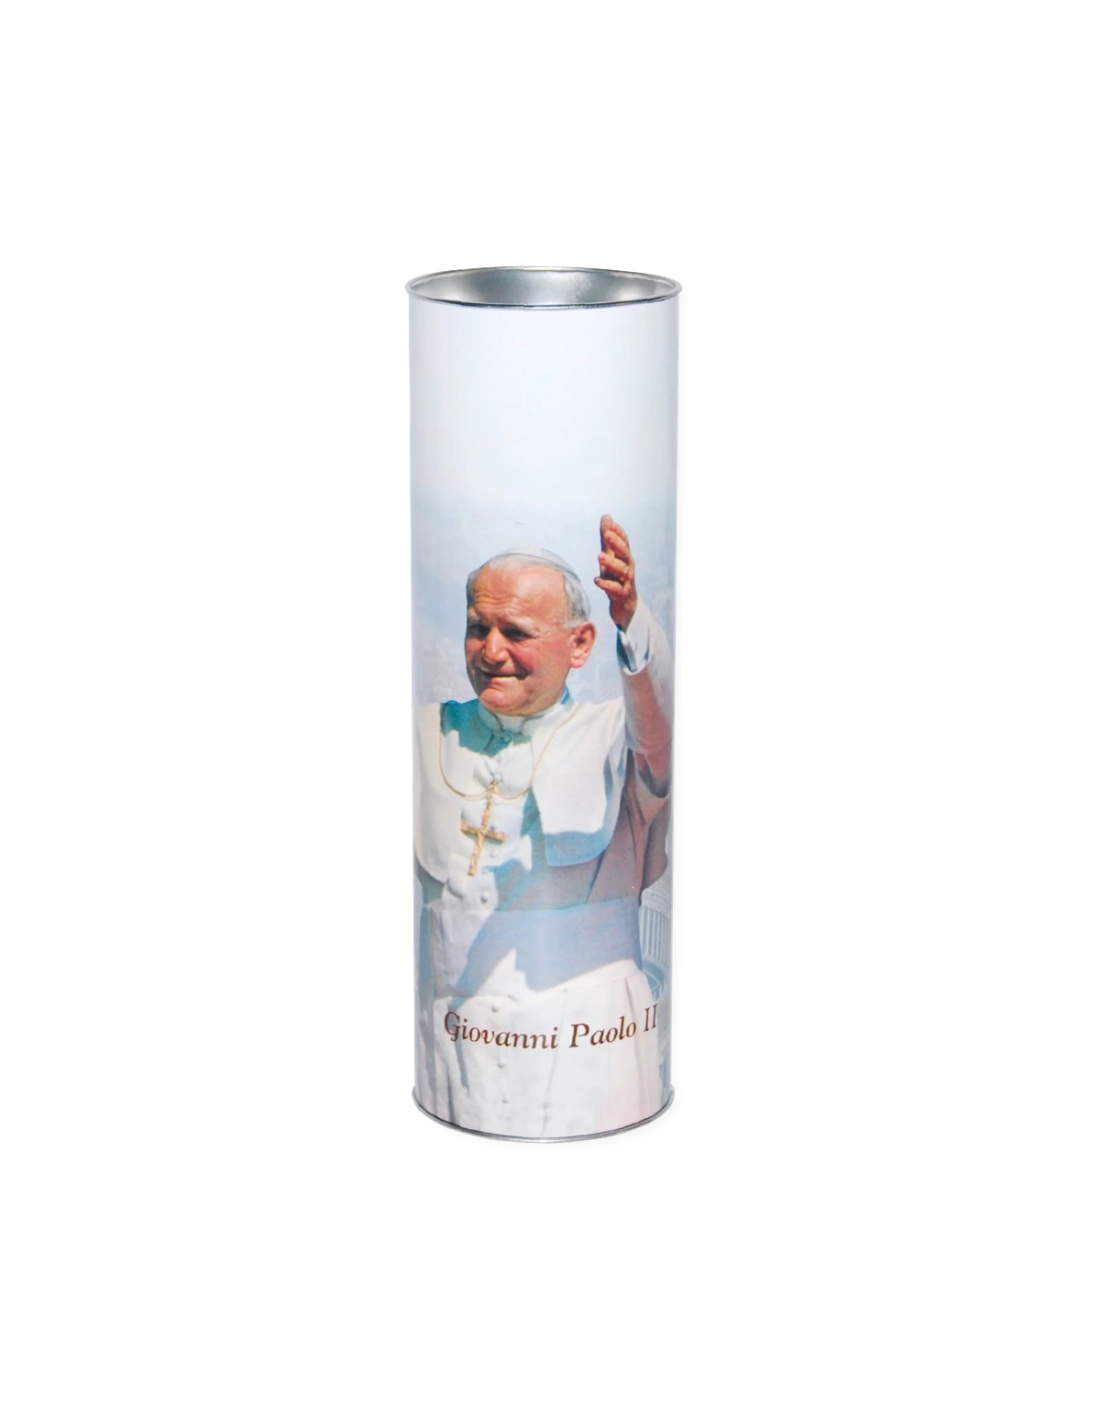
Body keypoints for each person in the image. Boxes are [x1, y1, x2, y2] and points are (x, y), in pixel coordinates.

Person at [414, 515, 673, 1137]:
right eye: (478, 628)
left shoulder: (617, 739)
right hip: (456, 1054)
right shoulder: (429, 733)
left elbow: (664, 719)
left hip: (590, 1055)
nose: (491, 651)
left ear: (579, 646)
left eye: (516, 632)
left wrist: (634, 625)